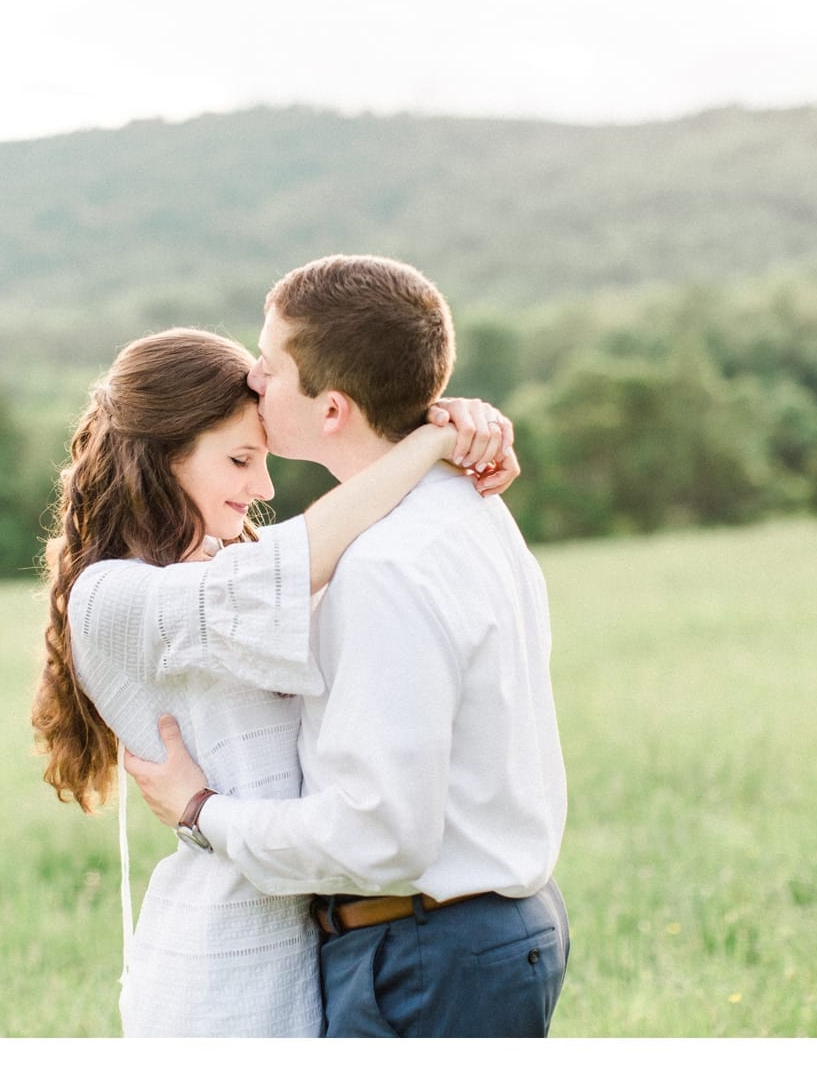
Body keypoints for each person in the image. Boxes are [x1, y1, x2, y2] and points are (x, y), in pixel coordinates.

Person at [124, 255, 570, 1038]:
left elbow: (380, 835)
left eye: (270, 366)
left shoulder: (384, 566)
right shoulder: (465, 505)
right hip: (483, 932)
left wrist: (205, 812)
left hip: (423, 952)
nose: (253, 380)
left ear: (330, 410)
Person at [31, 326, 516, 1037]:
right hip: (216, 973)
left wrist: (455, 423)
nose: (262, 488)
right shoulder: (112, 597)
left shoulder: (229, 572)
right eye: (239, 460)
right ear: (162, 459)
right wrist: (428, 442)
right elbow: (308, 557)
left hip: (309, 956)